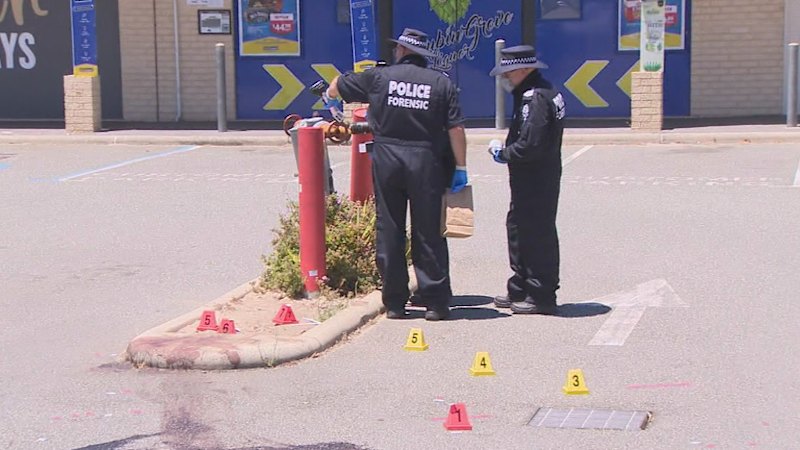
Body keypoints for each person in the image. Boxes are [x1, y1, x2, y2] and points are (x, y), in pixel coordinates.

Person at [321, 28, 468, 321]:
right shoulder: (441, 83)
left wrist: (329, 98)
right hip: (427, 160)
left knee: (389, 229)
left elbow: (337, 84)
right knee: (429, 231)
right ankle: (436, 302)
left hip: (388, 158)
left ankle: (396, 303)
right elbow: (456, 129)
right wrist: (461, 168)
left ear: (400, 50)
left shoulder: (379, 77)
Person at [487, 45, 566, 315]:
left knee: (536, 234)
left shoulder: (536, 98)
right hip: (533, 176)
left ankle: (541, 294)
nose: (506, 79)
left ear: (524, 69)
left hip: (536, 176)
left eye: (509, 73)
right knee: (519, 228)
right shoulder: (541, 91)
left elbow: (530, 145)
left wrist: (503, 153)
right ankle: (520, 286)